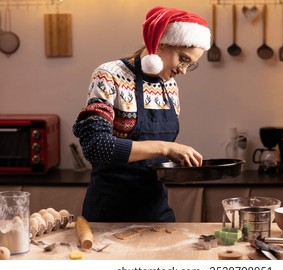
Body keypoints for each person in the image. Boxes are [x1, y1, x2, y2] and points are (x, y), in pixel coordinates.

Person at [73, 6, 211, 222]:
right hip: (109, 214)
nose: (183, 70)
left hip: (156, 213)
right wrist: (166, 147)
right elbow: (96, 146)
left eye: (191, 65)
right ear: (161, 41)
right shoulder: (110, 75)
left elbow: (151, 161)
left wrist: (179, 169)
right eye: (183, 59)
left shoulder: (170, 86)